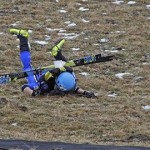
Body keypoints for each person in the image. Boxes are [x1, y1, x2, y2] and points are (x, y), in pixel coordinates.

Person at [9, 28, 96, 98]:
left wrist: (85, 93)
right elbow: (24, 87)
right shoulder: (45, 87)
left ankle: (58, 54)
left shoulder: (70, 79)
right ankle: (23, 38)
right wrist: (34, 93)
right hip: (40, 79)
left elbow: (75, 89)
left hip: (59, 72)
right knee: (26, 67)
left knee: (65, 65)